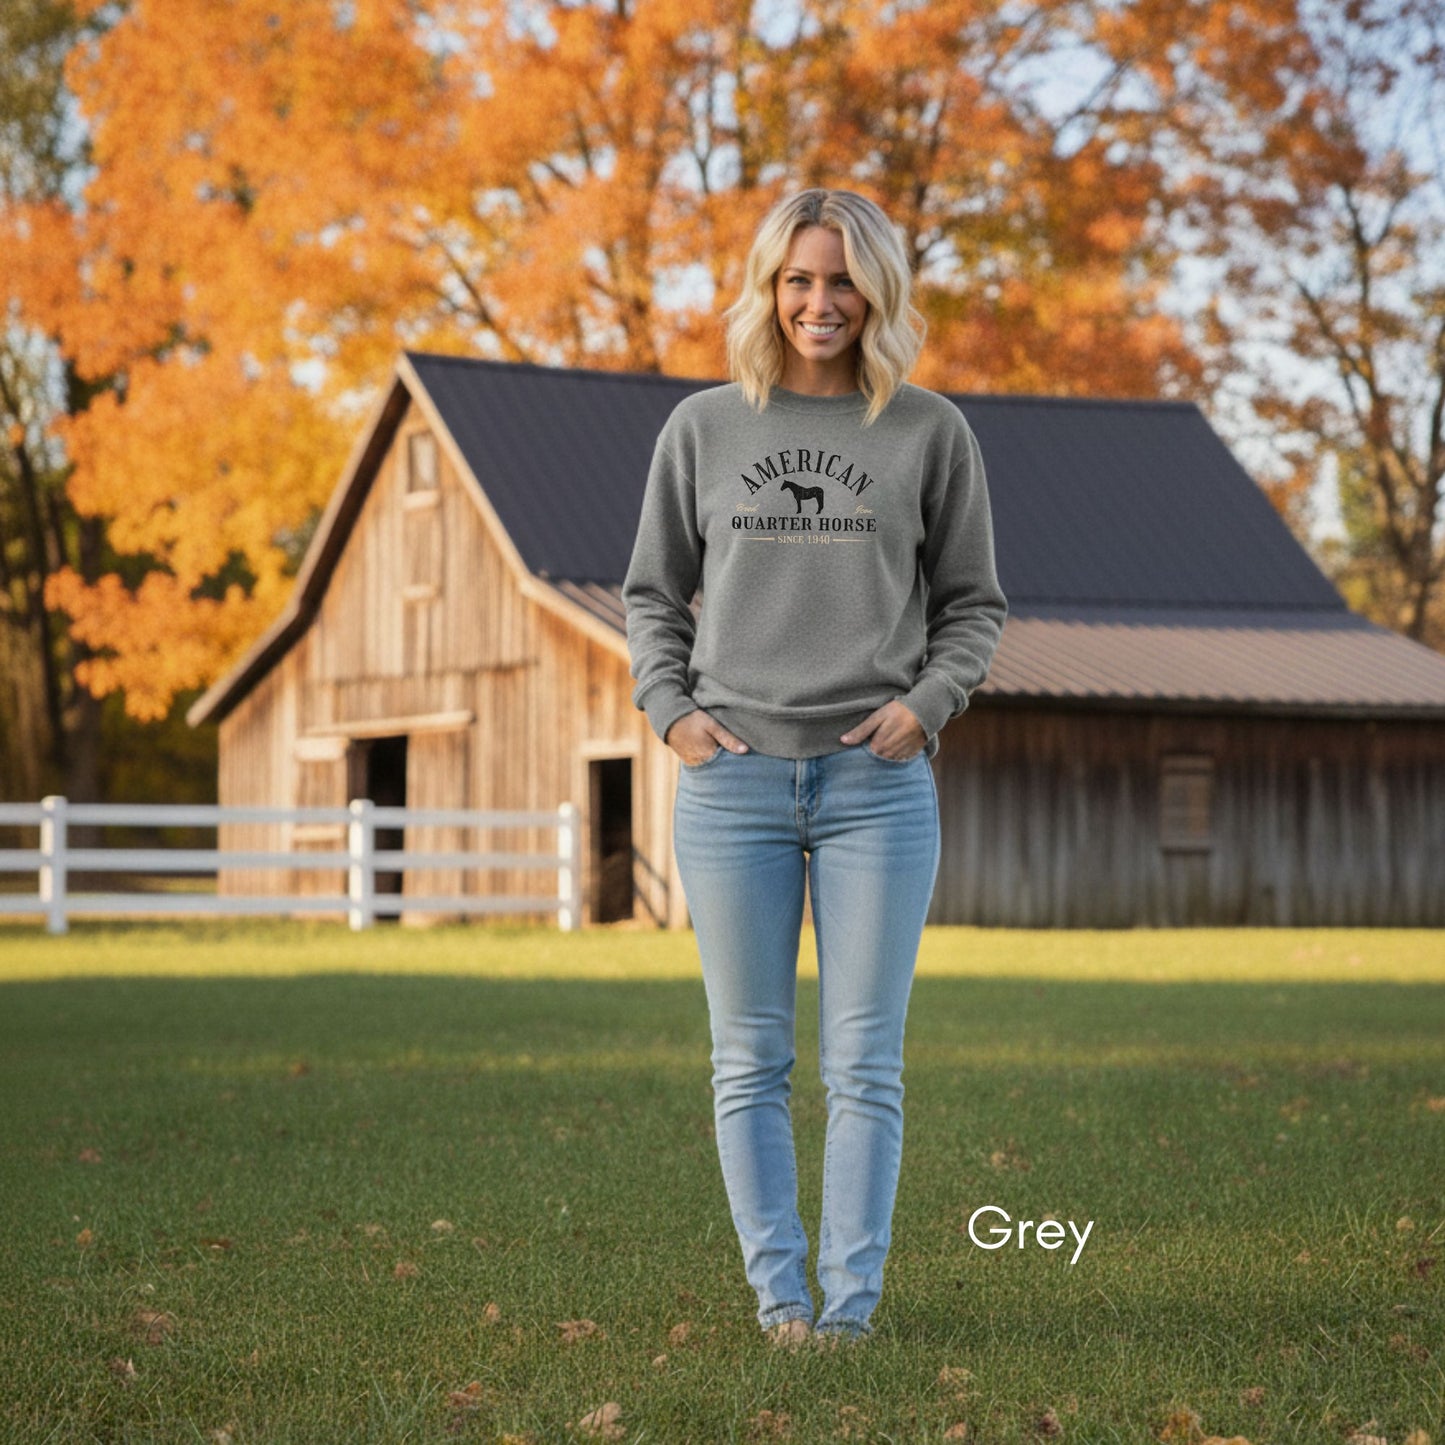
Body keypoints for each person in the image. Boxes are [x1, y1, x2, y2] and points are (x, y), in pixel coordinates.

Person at [621, 188, 1008, 1349]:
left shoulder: (930, 432)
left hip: (873, 789)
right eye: (797, 279)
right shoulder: (701, 427)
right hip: (731, 781)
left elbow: (973, 604)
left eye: (841, 280)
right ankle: (779, 1303)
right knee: (746, 1057)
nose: (818, 301)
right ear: (766, 288)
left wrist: (925, 707)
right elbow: (650, 593)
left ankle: (847, 1310)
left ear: (876, 290)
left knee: (861, 1062)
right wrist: (671, 712)